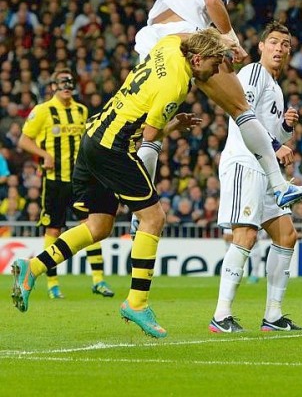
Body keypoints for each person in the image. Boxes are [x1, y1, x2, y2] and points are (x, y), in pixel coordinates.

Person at [11, 29, 230, 338]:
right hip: (113, 148)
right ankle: (137, 303)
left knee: (98, 227)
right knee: (154, 218)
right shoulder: (177, 84)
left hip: (92, 136)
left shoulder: (168, 45)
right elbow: (151, 136)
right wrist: (174, 126)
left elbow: (182, 35)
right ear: (197, 59)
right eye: (216, 62)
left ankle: (31, 268)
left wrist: (217, 38)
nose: (217, 70)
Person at [103, 0, 302, 210]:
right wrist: (230, 38)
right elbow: (212, 1)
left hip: (151, 43)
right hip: (188, 38)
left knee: (152, 128)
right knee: (240, 107)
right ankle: (280, 187)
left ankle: (140, 209)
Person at [211, 21, 302, 333]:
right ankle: (221, 314)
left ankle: (274, 316)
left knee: (286, 236)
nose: (281, 48)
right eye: (275, 42)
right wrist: (277, 144)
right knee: (246, 235)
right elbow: (243, 113)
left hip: (265, 170)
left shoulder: (275, 87)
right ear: (261, 47)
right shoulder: (253, 72)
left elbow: (268, 127)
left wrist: (285, 128)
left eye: (286, 44)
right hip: (244, 162)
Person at [18, 68, 114, 299]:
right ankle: (52, 284)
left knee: (90, 225)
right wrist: (44, 154)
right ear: (52, 86)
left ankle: (99, 281)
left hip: (80, 180)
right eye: (62, 82)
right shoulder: (42, 111)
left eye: (70, 82)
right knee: (54, 228)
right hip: (55, 181)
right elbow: (24, 140)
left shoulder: (81, 111)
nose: (67, 85)